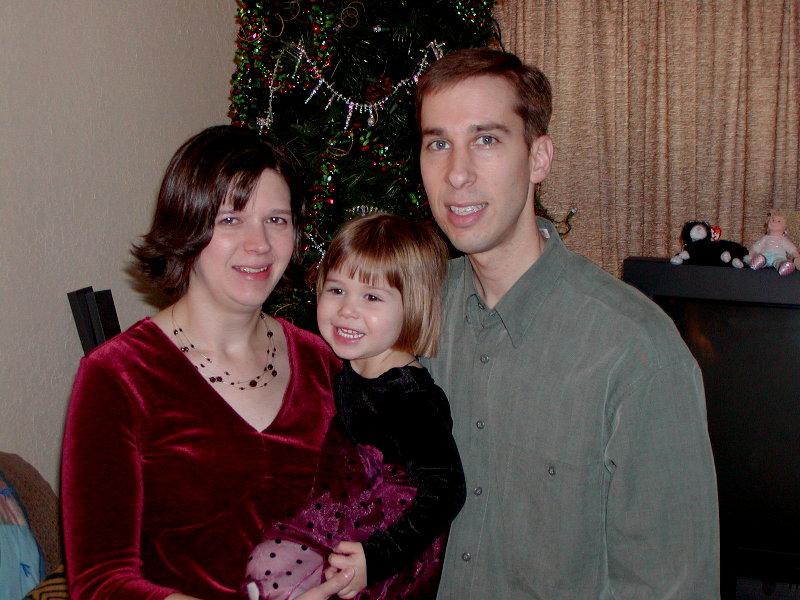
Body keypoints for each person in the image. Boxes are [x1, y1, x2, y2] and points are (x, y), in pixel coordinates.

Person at [415, 48, 720, 598]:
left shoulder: (637, 352)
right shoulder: (411, 313)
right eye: (438, 143)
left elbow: (671, 586)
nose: (456, 173)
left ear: (539, 158)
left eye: (486, 140)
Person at [61, 125, 354, 600]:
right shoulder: (117, 376)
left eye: (276, 220)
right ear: (187, 226)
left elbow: (365, 511)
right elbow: (98, 581)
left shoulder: (323, 362)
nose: (259, 244)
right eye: (230, 219)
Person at [244, 213, 466, 600]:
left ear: (413, 306)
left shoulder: (411, 397)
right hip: (340, 509)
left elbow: (447, 490)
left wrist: (377, 558)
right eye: (337, 290)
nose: (347, 309)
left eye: (372, 297)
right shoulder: (345, 366)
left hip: (388, 544)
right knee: (266, 563)